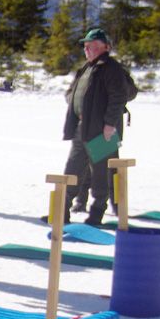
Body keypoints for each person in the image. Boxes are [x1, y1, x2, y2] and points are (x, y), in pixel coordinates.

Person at [55, 28, 134, 226]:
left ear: (105, 47)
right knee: (73, 169)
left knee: (101, 173)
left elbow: (118, 98)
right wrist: (76, 104)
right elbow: (72, 92)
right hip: (83, 127)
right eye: (86, 46)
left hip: (103, 131)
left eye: (93, 46)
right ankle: (62, 212)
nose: (88, 50)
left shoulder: (111, 68)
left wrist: (109, 124)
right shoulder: (87, 68)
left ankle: (97, 213)